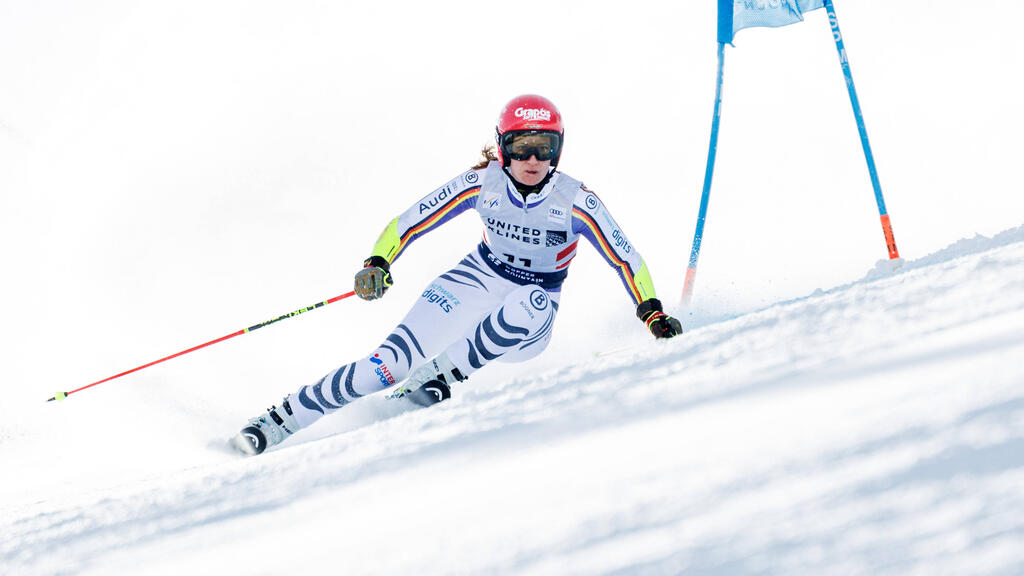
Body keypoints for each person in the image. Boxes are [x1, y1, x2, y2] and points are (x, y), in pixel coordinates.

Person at [232, 94, 683, 455]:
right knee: (384, 369)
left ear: (558, 150)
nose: (532, 158)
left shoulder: (576, 200)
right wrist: (378, 262)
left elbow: (628, 259)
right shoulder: (480, 183)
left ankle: (442, 376)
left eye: (543, 147)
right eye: (520, 146)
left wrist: (653, 313)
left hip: (532, 311)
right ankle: (278, 421)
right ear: (502, 148)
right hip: (474, 279)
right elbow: (408, 221)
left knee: (531, 302)